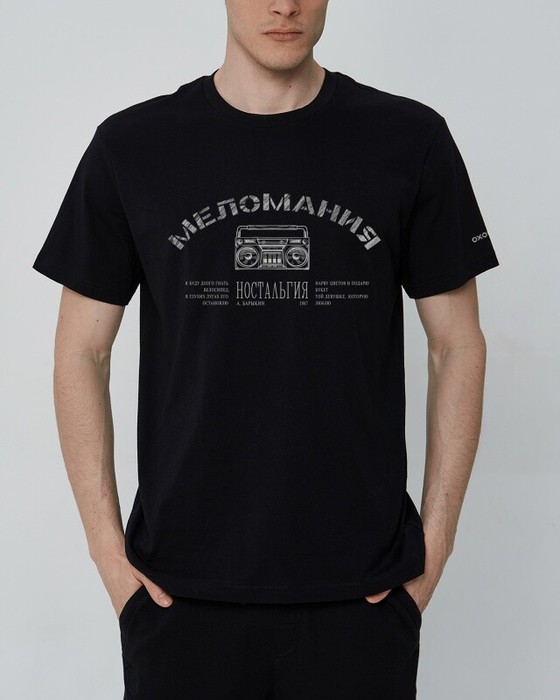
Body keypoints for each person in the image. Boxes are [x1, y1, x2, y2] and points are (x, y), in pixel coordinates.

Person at [32, 1, 500, 698]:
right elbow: (81, 351)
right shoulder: (133, 146)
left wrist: (433, 551)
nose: (284, 5)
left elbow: (457, 345)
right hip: (177, 593)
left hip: (362, 596)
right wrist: (109, 556)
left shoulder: (409, 139)